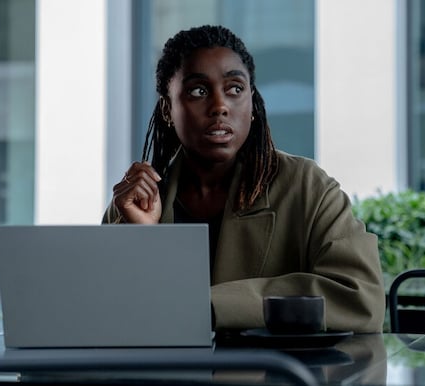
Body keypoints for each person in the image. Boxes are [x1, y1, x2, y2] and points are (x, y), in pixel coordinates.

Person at [103, 25, 385, 333]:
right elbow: (101, 312)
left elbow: (361, 298)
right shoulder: (133, 202)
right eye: (198, 90)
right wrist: (144, 238)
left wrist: (210, 306)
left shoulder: (308, 188)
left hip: (278, 377)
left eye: (235, 89)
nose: (220, 106)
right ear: (167, 109)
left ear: (252, 104)